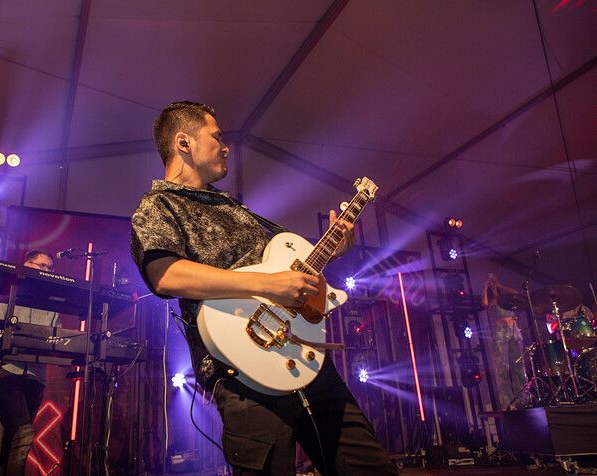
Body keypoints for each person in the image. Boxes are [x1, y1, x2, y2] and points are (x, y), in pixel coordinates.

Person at [131, 101, 397, 475]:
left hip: (304, 357)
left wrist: (327, 258)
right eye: (216, 137)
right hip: (241, 370)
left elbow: (290, 289)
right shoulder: (157, 206)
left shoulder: (239, 211)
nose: (226, 147)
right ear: (183, 143)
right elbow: (165, 275)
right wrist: (270, 284)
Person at [0, 250, 61, 475]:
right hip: (6, 371)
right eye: (41, 266)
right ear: (26, 264)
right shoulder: (6, 293)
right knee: (23, 433)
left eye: (50, 268)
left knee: (11, 440)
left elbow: (52, 339)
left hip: (35, 376)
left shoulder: (50, 304)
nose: (46, 271)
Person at [482, 274, 526, 409]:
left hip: (513, 329)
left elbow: (516, 293)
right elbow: (484, 304)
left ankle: (523, 399)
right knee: (502, 367)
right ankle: (507, 403)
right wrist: (485, 287)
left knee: (518, 365)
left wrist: (499, 285)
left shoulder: (506, 299)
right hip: (500, 332)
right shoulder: (492, 302)